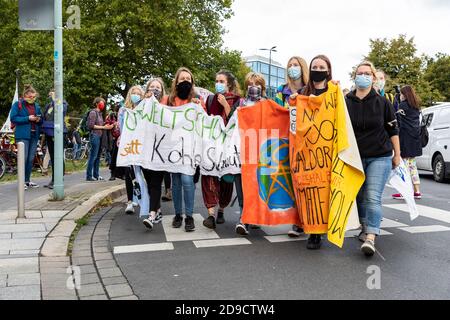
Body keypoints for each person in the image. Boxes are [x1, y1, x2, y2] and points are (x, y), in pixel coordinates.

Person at [346, 61, 401, 257]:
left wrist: (398, 154)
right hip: (354, 158)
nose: (363, 76)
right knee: (359, 196)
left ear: (373, 77)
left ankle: (371, 236)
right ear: (355, 77)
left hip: (380, 156)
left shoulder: (383, 102)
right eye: (360, 73)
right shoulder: (346, 101)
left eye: (367, 73)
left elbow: (393, 130)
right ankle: (365, 226)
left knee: (372, 196)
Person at [161, 67, 206, 232]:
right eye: (182, 79)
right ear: (176, 82)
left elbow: (204, 121)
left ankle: (189, 216)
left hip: (190, 148)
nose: (185, 81)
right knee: (176, 181)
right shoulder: (168, 100)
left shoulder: (197, 100)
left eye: (188, 79)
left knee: (187, 180)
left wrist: (199, 107)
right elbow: (157, 115)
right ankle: (178, 214)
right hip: (172, 147)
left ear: (192, 82)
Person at [201, 70, 241, 229]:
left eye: (222, 81)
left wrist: (225, 105)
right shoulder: (210, 99)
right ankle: (210, 214)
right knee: (208, 176)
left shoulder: (238, 100)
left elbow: (235, 121)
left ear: (229, 84)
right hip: (211, 146)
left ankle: (221, 209)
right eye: (216, 81)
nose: (218, 84)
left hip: (228, 147)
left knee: (226, 180)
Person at [275, 56, 309, 238]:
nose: (292, 68)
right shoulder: (282, 90)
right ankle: (297, 221)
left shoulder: (309, 89)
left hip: (306, 142)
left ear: (302, 68)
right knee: (291, 182)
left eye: (296, 65)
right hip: (286, 139)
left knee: (305, 181)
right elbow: (275, 109)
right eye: (290, 65)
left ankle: (307, 220)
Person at [233, 72, 268, 236]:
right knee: (241, 184)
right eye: (250, 83)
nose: (253, 86)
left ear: (262, 86)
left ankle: (251, 217)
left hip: (259, 151)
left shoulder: (267, 104)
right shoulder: (240, 103)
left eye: (257, 83)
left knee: (255, 185)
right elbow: (230, 122)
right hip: (241, 149)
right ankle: (244, 217)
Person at [139, 78, 169, 230]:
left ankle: (151, 215)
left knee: (156, 182)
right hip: (145, 151)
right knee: (150, 182)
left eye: (158, 87)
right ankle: (156, 209)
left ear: (162, 91)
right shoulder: (141, 106)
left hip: (160, 151)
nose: (155, 89)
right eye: (152, 87)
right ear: (147, 89)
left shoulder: (167, 106)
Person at [392, 85, 423, 200]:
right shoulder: (416, 106)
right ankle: (417, 191)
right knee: (412, 166)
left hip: (405, 139)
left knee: (403, 166)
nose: (400, 96)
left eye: (400, 94)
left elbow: (397, 121)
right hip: (415, 139)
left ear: (404, 94)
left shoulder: (402, 106)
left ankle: (403, 191)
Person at [10, 84, 43, 189]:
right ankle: (21, 181)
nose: (32, 99)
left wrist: (39, 119)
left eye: (34, 97)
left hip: (34, 135)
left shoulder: (36, 106)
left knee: (30, 159)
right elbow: (13, 118)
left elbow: (41, 119)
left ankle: (27, 180)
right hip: (23, 135)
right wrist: (28, 118)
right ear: (25, 96)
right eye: (30, 97)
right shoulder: (18, 105)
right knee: (23, 158)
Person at [118, 87, 144, 215]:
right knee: (128, 172)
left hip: (141, 145)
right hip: (128, 144)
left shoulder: (144, 110)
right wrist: (120, 138)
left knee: (140, 172)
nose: (136, 95)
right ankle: (129, 202)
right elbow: (121, 128)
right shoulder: (123, 111)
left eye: (138, 94)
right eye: (134, 93)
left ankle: (140, 196)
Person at [41, 89, 68, 189]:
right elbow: (45, 116)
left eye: (52, 94)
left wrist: (55, 99)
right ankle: (53, 179)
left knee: (58, 157)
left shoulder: (64, 103)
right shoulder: (49, 106)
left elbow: (60, 111)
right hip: (49, 132)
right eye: (50, 94)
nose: (50, 96)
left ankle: (58, 179)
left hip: (59, 133)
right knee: (52, 157)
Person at [86, 97, 114, 181]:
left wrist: (108, 125)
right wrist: (104, 127)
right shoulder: (93, 113)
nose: (103, 104)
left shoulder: (100, 114)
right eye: (102, 102)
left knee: (97, 156)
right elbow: (91, 126)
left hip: (100, 136)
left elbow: (101, 125)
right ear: (97, 103)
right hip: (95, 136)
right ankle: (89, 176)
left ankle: (96, 175)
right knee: (93, 156)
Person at [106, 104, 120, 181]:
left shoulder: (125, 114)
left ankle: (123, 173)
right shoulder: (111, 116)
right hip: (114, 139)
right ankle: (113, 174)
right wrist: (112, 125)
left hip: (124, 139)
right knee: (114, 157)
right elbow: (107, 124)